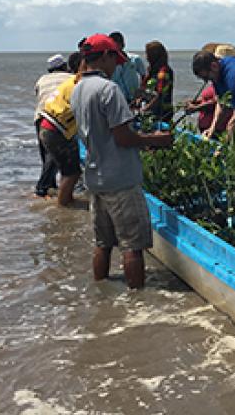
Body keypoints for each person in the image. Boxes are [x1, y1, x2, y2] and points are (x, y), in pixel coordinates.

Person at [71, 33, 173, 289]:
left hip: (95, 177)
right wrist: (156, 139)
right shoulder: (108, 89)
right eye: (114, 59)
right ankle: (137, 305)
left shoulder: (78, 88)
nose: (117, 65)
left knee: (102, 243)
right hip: (120, 179)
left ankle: (102, 295)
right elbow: (124, 137)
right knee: (133, 246)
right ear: (104, 56)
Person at [38, 52, 84, 207]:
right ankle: (62, 203)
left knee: (50, 160)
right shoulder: (72, 80)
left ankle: (47, 191)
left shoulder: (43, 79)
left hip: (42, 117)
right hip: (58, 125)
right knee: (70, 170)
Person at [32, 54, 71, 198]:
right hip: (58, 118)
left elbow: (38, 94)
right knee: (54, 155)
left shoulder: (42, 79)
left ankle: (51, 187)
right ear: (64, 66)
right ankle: (41, 188)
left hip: (40, 117)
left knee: (46, 155)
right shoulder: (69, 78)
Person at [139, 40, 174, 123]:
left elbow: (160, 95)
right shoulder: (152, 71)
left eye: (148, 55)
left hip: (162, 113)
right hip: (152, 110)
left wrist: (146, 108)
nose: (146, 58)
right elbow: (144, 88)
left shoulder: (163, 72)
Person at [109, 31, 145, 103]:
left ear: (122, 44)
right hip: (117, 99)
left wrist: (141, 90)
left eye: (118, 43)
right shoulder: (109, 63)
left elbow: (144, 75)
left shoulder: (135, 59)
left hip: (134, 99)